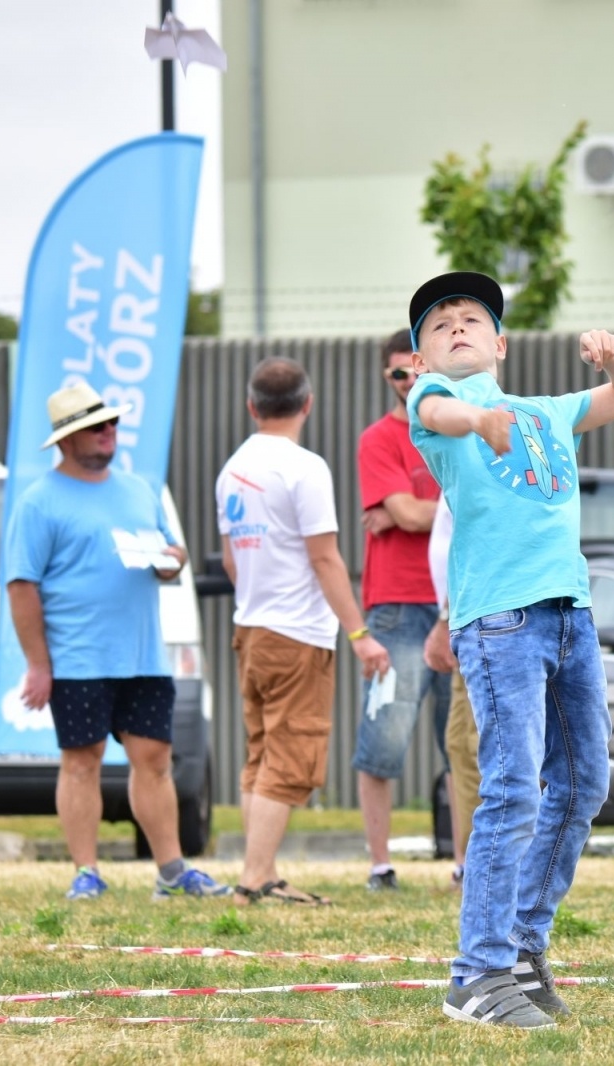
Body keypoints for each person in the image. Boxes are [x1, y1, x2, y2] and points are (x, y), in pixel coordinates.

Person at [406, 271, 614, 1029]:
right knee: (513, 789)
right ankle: (475, 976)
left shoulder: (547, 410)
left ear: (501, 343)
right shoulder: (430, 403)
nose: (456, 325)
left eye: (471, 317)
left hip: (570, 614)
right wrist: (478, 421)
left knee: (582, 786)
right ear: (420, 358)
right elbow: (447, 415)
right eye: (439, 323)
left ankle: (521, 944)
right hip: (498, 622)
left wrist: (612, 359)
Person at [5, 382, 229, 901]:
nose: (110, 433)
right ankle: (87, 872)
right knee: (81, 762)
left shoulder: (138, 488)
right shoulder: (38, 503)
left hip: (144, 655)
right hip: (79, 658)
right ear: (67, 439)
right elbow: (21, 586)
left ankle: (171, 872)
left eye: (112, 424)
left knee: (154, 759)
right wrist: (39, 665)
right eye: (96, 426)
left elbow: (169, 553)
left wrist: (176, 560)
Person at [217, 357, 391, 906]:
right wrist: (360, 634)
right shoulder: (304, 467)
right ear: (307, 404)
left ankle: (261, 872)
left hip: (251, 627)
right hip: (296, 634)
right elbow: (325, 559)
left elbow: (230, 562)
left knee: (261, 755)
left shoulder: (232, 469)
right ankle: (252, 880)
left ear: (252, 406)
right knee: (290, 760)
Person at [352, 329, 447, 893]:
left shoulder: (458, 424)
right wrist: (421, 510)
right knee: (383, 742)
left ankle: (466, 865)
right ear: (386, 379)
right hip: (394, 608)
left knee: (464, 742)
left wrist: (413, 510)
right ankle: (380, 865)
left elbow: (414, 513)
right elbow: (406, 514)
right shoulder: (378, 440)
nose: (408, 382)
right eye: (396, 375)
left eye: (414, 370)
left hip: (457, 602)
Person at [423, 494, 481, 892]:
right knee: (460, 744)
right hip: (466, 618)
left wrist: (445, 619)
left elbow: (470, 543)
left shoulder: (473, 457)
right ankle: (469, 865)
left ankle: (486, 868)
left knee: (478, 748)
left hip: (474, 617)